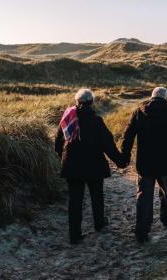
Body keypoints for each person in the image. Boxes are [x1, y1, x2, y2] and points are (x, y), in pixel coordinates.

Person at [121, 87, 167, 243]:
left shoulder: (139, 114)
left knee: (144, 197)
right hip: (166, 164)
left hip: (145, 164)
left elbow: (127, 137)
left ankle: (141, 232)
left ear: (151, 98)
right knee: (166, 191)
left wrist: (125, 157)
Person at [55, 89, 124, 244]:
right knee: (97, 196)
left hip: (72, 167)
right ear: (91, 103)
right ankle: (99, 224)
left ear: (77, 102)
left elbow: (59, 143)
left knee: (75, 201)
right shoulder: (96, 121)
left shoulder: (67, 119)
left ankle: (75, 235)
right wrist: (120, 161)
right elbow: (108, 145)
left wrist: (63, 159)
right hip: (94, 166)